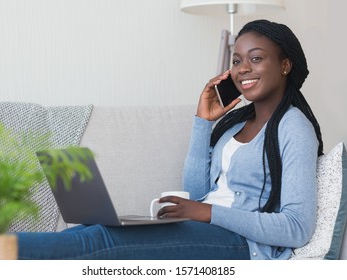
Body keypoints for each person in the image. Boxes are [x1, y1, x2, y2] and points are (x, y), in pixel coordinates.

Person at [16, 19, 323, 260]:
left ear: (285, 65)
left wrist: (206, 213)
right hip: (205, 230)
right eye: (237, 60)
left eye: (256, 59)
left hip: (243, 246)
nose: (243, 69)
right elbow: (196, 193)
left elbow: (297, 228)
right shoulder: (235, 124)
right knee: (92, 231)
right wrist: (203, 122)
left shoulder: (293, 127)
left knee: (97, 242)